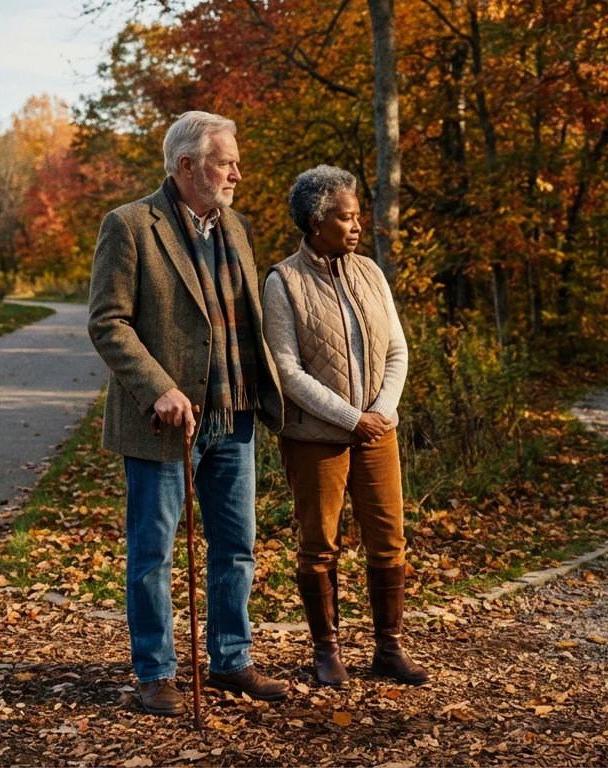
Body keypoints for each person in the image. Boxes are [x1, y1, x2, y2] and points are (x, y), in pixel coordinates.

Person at [87, 111, 289, 715]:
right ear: (187, 166)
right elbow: (107, 321)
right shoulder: (129, 225)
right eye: (226, 161)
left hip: (236, 416)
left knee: (238, 546)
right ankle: (156, 673)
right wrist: (158, 388)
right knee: (153, 551)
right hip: (166, 424)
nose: (236, 172)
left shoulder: (239, 227)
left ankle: (231, 661)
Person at [262, 164, 429, 688]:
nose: (357, 226)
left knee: (389, 541)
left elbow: (397, 349)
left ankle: (389, 648)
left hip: (378, 434)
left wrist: (380, 413)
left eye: (358, 217)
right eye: (346, 217)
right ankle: (326, 650)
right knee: (319, 544)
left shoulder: (372, 273)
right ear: (316, 221)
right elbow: (286, 371)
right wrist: (350, 418)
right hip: (316, 440)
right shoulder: (282, 281)